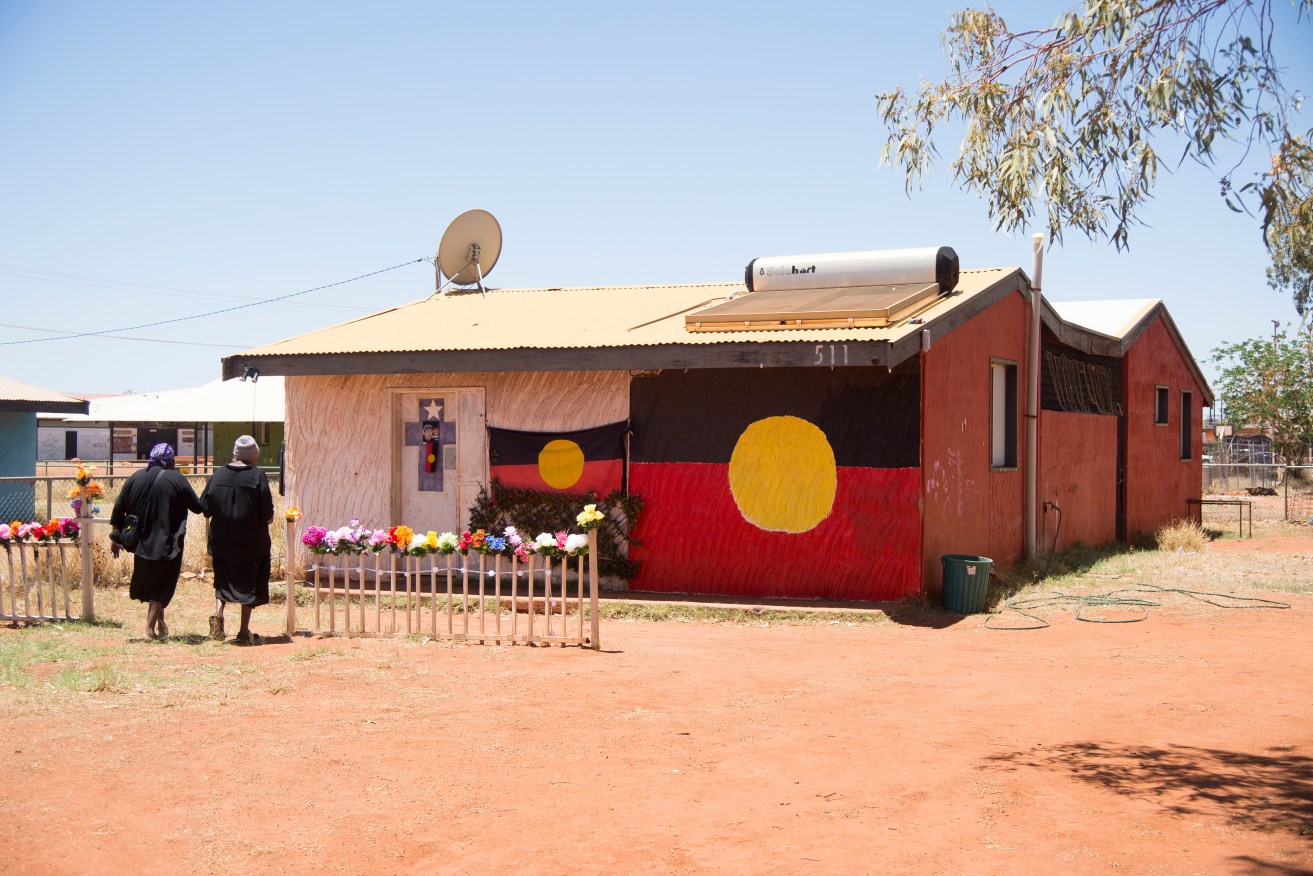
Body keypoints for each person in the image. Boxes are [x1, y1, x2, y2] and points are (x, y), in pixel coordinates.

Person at [110, 443, 203, 640]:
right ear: (170, 460)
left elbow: (119, 506)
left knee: (153, 584)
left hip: (140, 543)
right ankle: (149, 630)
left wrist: (116, 538)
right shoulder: (176, 478)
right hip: (167, 543)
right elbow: (197, 507)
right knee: (161, 586)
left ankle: (160, 625)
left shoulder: (136, 477)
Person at [201, 435, 274, 645]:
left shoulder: (218, 475)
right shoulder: (258, 476)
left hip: (221, 541)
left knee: (222, 578)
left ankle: (218, 611)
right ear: (254, 456)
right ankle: (243, 630)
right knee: (250, 582)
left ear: (235, 453)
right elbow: (267, 514)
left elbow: (204, 508)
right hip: (251, 542)